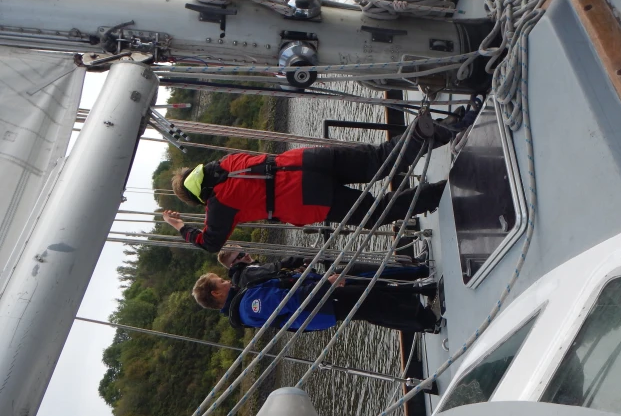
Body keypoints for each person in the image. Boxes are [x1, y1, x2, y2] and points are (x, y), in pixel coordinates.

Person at [162, 121, 452, 252]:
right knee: (379, 159)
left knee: (376, 213)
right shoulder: (226, 162)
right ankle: (430, 132)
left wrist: (181, 228)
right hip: (309, 159)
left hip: (309, 197)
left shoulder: (218, 205)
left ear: (197, 197)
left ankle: (440, 193)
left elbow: (210, 243)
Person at [191, 261, 443, 334]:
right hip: (320, 305)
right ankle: (426, 321)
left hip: (320, 298)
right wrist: (325, 285)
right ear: (216, 293)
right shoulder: (248, 306)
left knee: (372, 297)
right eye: (221, 282)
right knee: (373, 304)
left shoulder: (244, 302)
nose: (227, 281)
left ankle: (422, 306)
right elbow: (288, 300)